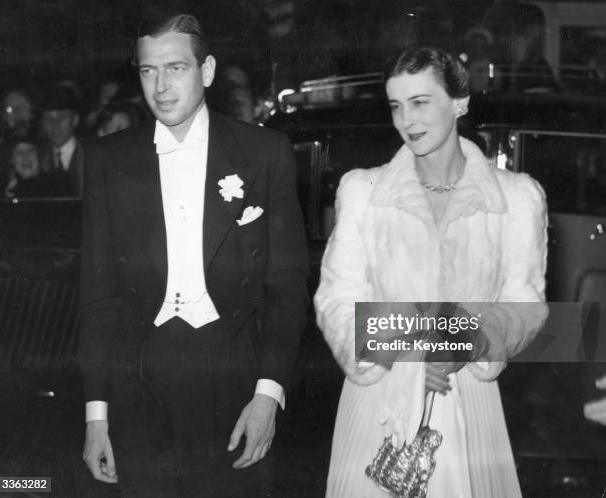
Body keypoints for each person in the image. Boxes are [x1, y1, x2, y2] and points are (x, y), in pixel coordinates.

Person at [78, 10, 308, 498]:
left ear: (205, 72)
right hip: (139, 381)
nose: (160, 86)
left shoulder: (264, 152)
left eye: (175, 68)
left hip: (232, 377)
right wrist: (96, 415)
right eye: (148, 70)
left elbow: (286, 287)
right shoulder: (107, 159)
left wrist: (268, 396)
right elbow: (97, 298)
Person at [314, 47, 548, 498]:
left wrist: (463, 340)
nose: (407, 120)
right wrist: (407, 355)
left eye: (420, 102)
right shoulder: (363, 190)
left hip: (466, 400)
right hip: (379, 398)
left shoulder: (517, 198)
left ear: (459, 103)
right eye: (396, 106)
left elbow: (526, 306)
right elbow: (335, 300)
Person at [40, 85, 84, 197]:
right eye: (48, 118)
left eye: (62, 117)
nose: (55, 125)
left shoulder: (90, 155)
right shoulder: (37, 158)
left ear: (75, 120)